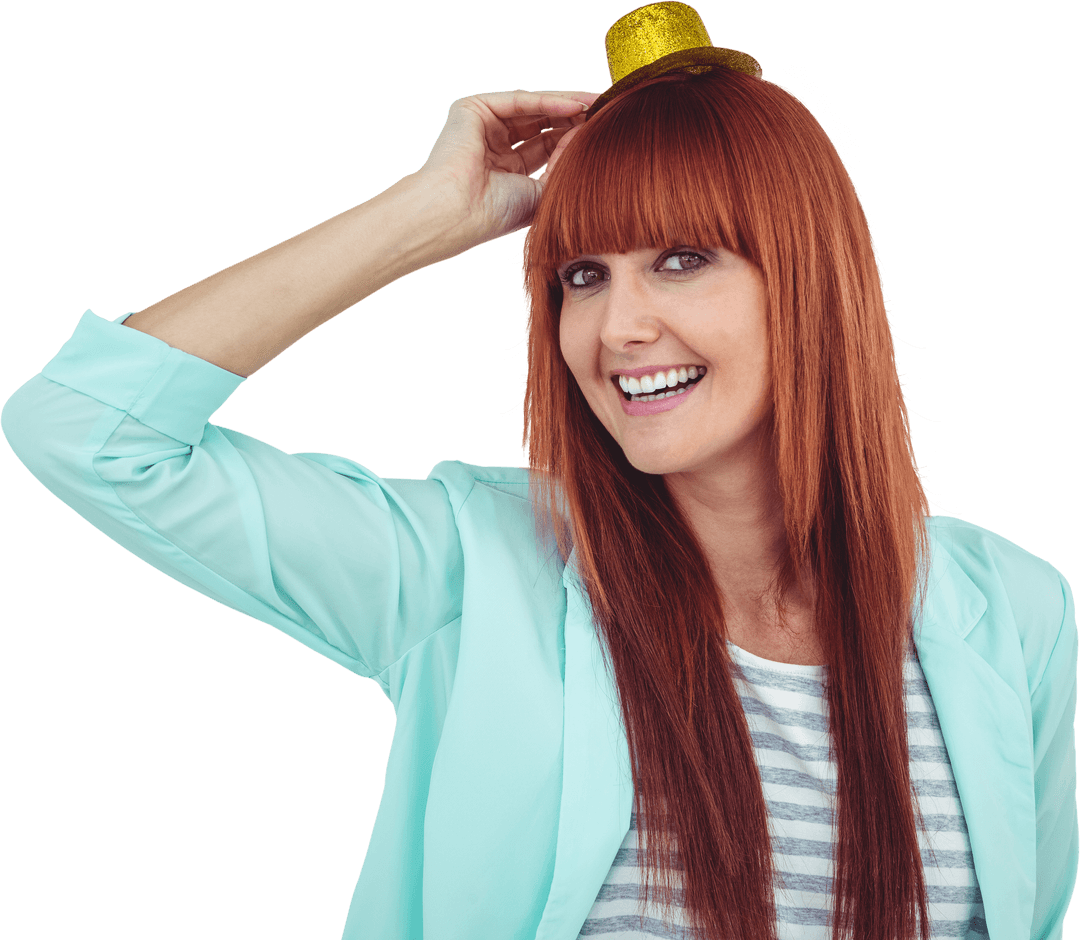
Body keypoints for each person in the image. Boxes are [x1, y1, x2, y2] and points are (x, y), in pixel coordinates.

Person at [1, 3, 1075, 939]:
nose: (616, 327)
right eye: (581, 275)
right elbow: (85, 429)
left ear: (810, 280)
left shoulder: (1013, 614)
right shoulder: (467, 569)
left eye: (681, 260)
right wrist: (420, 216)